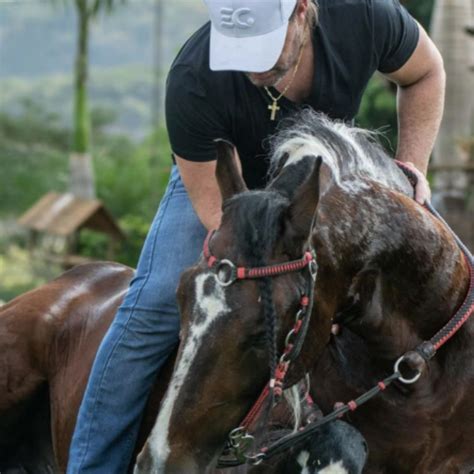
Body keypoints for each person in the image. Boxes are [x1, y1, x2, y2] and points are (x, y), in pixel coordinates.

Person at [67, 0, 445, 471]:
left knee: (446, 282)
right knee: (155, 304)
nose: (250, 66)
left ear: (302, 12)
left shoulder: (364, 14)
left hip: (330, 179)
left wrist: (410, 170)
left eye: (262, 48)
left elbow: (425, 73)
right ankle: (93, 465)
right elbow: (216, 215)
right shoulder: (192, 77)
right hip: (229, 187)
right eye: (237, 50)